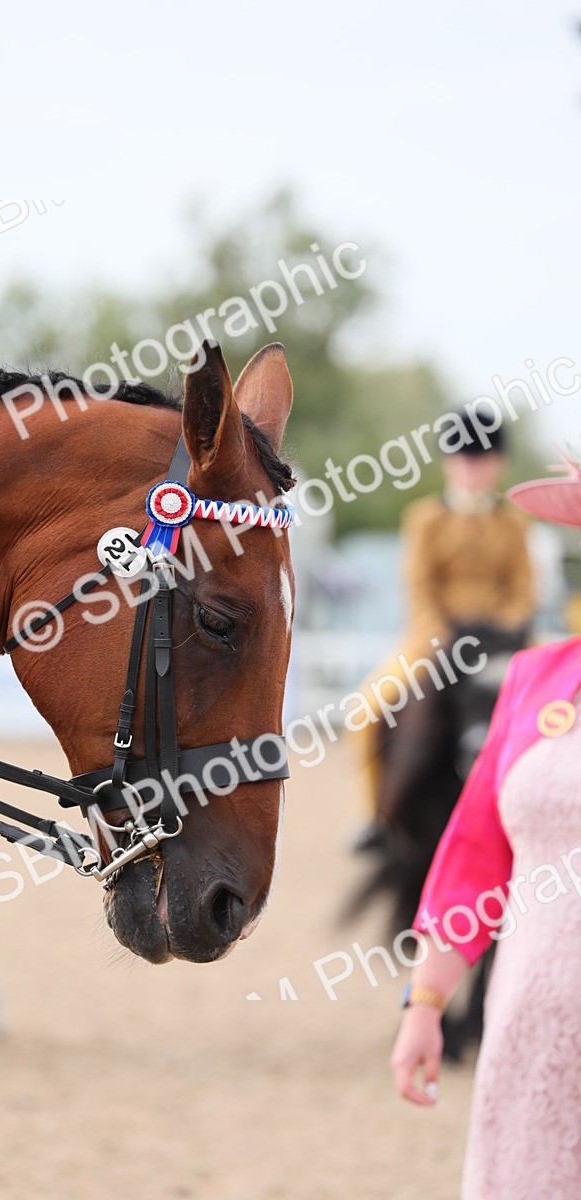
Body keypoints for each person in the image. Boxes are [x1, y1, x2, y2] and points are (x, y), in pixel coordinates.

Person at [390, 448, 581, 1198]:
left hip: (502, 624)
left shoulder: (505, 534)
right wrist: (425, 1006)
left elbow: (519, 591)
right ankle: (382, 812)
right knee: (382, 706)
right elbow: (475, 852)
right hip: (531, 1030)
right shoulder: (540, 679)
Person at [353, 410, 534, 849]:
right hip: (437, 637)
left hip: (502, 639)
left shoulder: (515, 522)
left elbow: (523, 587)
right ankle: (377, 815)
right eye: (466, 459)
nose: (474, 469)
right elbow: (420, 586)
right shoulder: (425, 519)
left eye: (483, 459)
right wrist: (446, 634)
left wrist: (504, 629)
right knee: (366, 710)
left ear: (498, 464)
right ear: (449, 463)